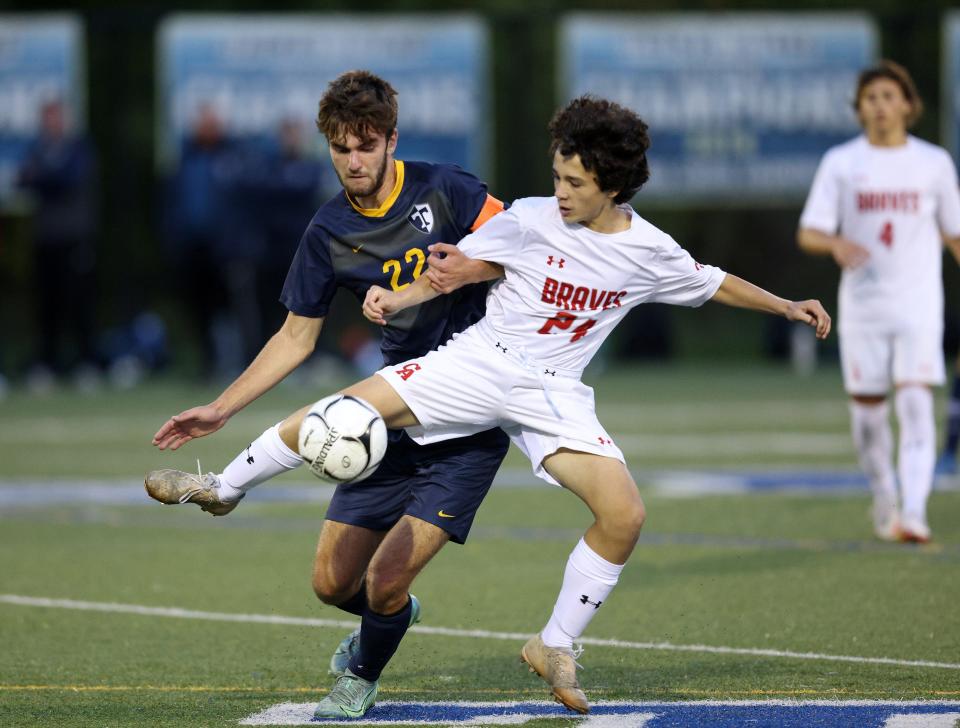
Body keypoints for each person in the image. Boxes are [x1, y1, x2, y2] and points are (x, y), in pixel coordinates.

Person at [157, 95, 830, 714]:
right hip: (480, 364)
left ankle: (554, 643)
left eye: (574, 184)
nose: (559, 192)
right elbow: (460, 266)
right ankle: (224, 485)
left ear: (614, 188)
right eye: (558, 177)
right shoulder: (532, 218)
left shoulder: (648, 251)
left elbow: (712, 284)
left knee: (624, 514)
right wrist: (400, 298)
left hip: (554, 393)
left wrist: (787, 305)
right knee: (343, 413)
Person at [146, 71, 509, 719]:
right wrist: (219, 408)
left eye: (366, 145)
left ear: (392, 140)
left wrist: (460, 274)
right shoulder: (328, 231)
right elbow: (293, 337)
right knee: (330, 584)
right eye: (340, 148)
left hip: (471, 415)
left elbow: (524, 247)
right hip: (390, 412)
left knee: (385, 578)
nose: (353, 160)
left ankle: (362, 673)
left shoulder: (445, 188)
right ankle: (387, 615)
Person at [798, 61, 960, 544]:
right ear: (860, 109)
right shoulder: (842, 163)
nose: (881, 106)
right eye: (871, 98)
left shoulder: (933, 163)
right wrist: (834, 244)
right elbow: (809, 231)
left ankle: (914, 512)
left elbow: (954, 233)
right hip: (864, 308)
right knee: (868, 415)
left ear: (909, 105)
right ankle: (885, 496)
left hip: (918, 305)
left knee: (914, 402)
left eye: (890, 96)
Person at [17, 99, 99, 391]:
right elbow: (23, 180)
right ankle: (46, 364)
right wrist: (47, 176)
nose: (53, 122)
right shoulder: (37, 148)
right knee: (47, 305)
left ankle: (86, 363)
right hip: (46, 237)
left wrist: (44, 177)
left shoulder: (78, 148)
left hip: (74, 236)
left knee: (79, 303)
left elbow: (68, 178)